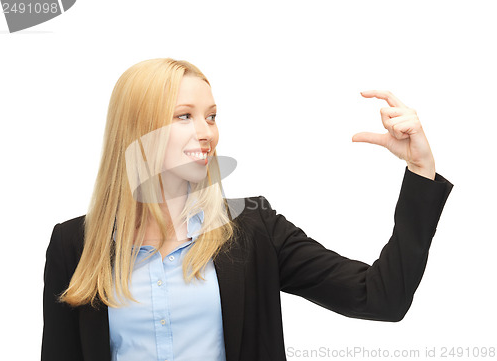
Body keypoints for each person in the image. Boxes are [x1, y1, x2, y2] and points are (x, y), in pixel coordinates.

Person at [41, 58, 454, 361]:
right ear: (137, 129)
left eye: (212, 117)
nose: (206, 133)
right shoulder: (74, 244)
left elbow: (381, 299)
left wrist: (421, 171)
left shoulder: (253, 228)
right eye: (184, 116)